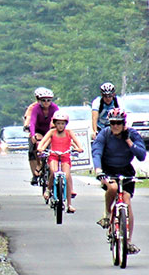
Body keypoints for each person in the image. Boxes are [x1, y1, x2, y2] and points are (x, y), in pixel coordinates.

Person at [92, 108, 146, 254]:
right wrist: (98, 170)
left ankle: (128, 241)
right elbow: (97, 151)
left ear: (124, 124)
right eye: (112, 123)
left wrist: (129, 141)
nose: (115, 126)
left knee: (127, 202)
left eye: (118, 123)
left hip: (125, 169)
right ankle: (107, 214)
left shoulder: (132, 134)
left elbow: (141, 155)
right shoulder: (105, 134)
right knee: (113, 188)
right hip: (108, 169)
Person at [37, 111, 84, 213]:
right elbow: (43, 142)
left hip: (65, 157)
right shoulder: (52, 132)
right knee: (53, 172)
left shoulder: (69, 132)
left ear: (65, 124)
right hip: (53, 156)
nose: (60, 126)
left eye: (62, 123)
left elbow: (76, 142)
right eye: (58, 123)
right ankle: (49, 190)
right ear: (55, 123)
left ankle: (69, 204)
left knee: (66, 176)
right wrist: (40, 148)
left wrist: (79, 148)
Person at [29, 87, 59, 185]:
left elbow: (60, 119)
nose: (46, 102)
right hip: (39, 131)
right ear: (39, 101)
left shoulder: (54, 108)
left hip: (49, 130)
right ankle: (39, 164)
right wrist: (33, 135)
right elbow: (32, 122)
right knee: (38, 143)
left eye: (48, 100)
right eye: (44, 100)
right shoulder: (36, 108)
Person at [23, 87, 45, 184]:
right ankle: (35, 175)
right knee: (32, 152)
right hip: (36, 131)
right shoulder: (32, 107)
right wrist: (27, 125)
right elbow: (28, 118)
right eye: (40, 99)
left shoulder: (51, 107)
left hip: (48, 132)